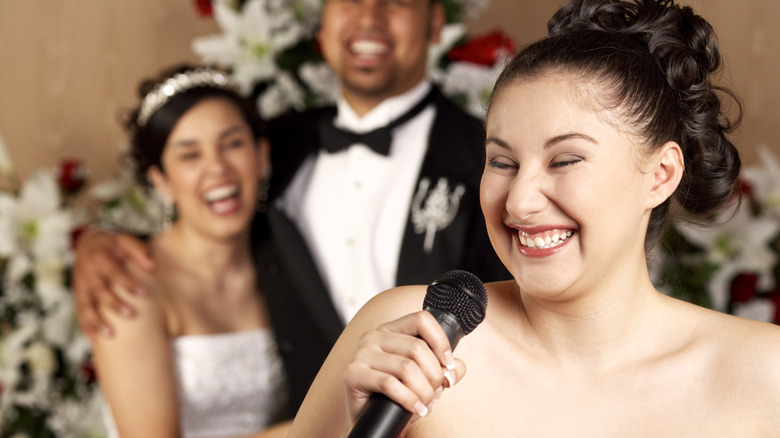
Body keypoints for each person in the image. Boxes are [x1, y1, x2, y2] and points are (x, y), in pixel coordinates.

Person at [287, 0, 780, 436]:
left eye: (565, 160)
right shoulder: (410, 336)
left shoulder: (764, 372)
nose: (518, 202)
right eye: (502, 163)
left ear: (661, 174)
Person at [73, 0, 510, 414]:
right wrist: (97, 246)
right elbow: (196, 204)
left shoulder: (490, 159)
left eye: (395, 1)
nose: (368, 17)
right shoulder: (272, 147)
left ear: (435, 22)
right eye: (347, 1)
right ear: (323, 25)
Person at [91, 64, 290, 438]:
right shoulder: (128, 285)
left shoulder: (284, 264)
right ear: (160, 180)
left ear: (261, 155)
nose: (217, 168)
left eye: (232, 144)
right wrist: (315, 428)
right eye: (189, 155)